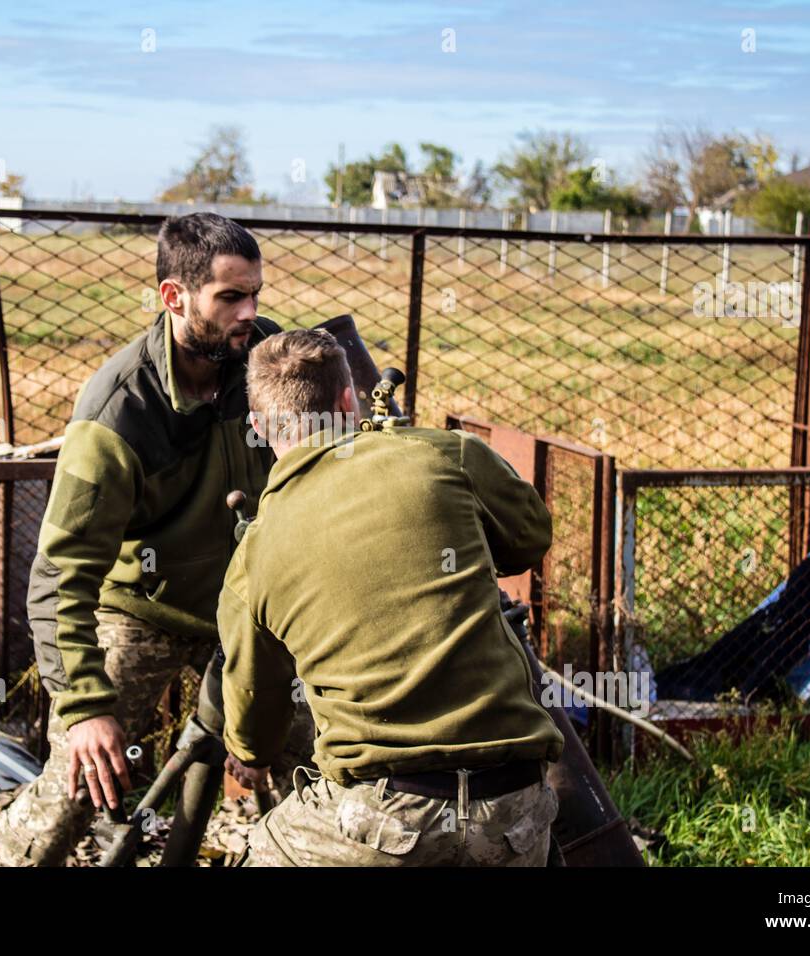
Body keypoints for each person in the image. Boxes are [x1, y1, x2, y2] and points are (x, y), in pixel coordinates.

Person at [0, 213, 314, 867]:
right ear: (174, 297)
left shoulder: (268, 365)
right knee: (79, 784)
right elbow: (60, 576)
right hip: (141, 609)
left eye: (255, 295)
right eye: (230, 298)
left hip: (248, 610)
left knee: (315, 759)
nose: (250, 313)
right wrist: (83, 710)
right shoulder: (118, 411)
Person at [219, 328, 564, 866]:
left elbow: (253, 708)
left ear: (259, 428)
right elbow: (530, 538)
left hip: (388, 819)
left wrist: (249, 756)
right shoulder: (444, 454)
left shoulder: (254, 555)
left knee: (262, 852)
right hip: (515, 805)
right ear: (349, 399)